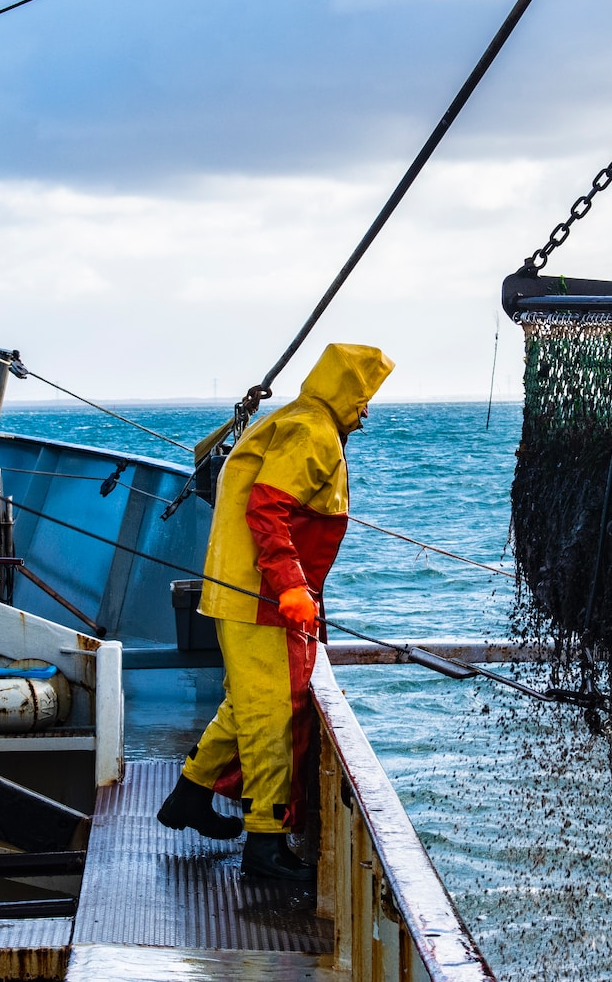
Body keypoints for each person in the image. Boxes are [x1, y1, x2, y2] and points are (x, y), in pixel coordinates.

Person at [157, 342, 395, 881]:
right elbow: (267, 508)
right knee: (272, 714)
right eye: (363, 399)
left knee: (248, 703)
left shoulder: (298, 419)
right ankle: (265, 844)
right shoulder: (312, 432)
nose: (365, 412)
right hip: (260, 597)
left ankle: (190, 796)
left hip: (240, 591)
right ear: (346, 392)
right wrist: (290, 586)